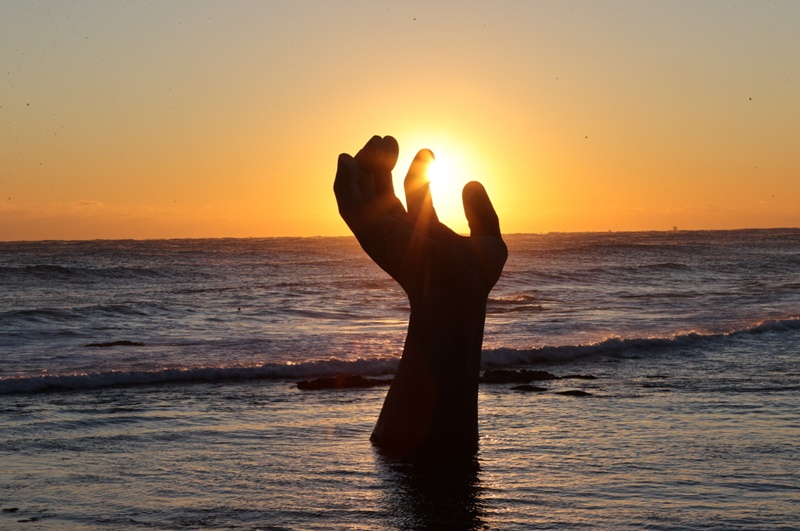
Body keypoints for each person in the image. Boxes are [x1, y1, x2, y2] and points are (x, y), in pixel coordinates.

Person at [334, 135, 507, 458]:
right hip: (454, 446)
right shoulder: (468, 273)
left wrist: (448, 293)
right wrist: (459, 294)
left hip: (414, 450)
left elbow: (410, 448)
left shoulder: (460, 276)